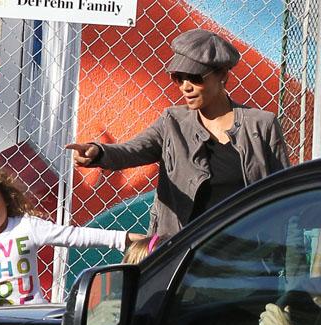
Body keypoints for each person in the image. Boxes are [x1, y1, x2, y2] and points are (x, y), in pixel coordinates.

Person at [66, 28, 290, 236]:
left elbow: (285, 198)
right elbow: (132, 150)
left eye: (195, 78)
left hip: (244, 255)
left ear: (222, 75)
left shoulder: (262, 125)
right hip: (182, 252)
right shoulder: (173, 122)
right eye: (178, 78)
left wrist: (293, 269)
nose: (185, 86)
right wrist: (98, 152)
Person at [0, 161, 145, 308]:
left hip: (33, 314)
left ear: (6, 199)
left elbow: (73, 236)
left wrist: (126, 238)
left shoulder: (26, 226)